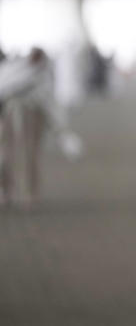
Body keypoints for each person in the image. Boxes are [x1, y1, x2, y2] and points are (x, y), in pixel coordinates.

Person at [0, 48, 82, 208]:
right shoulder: (15, 70)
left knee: (29, 154)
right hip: (11, 114)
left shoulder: (41, 76)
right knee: (7, 154)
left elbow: (48, 103)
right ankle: (8, 190)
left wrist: (61, 130)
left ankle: (28, 193)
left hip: (32, 115)